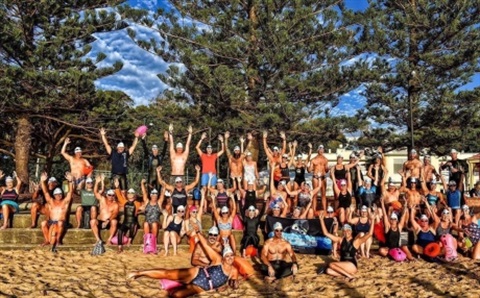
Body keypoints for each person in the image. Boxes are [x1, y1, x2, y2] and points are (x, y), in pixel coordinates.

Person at [127, 233, 239, 298]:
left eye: (231, 256)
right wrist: (198, 232)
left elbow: (233, 283)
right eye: (227, 256)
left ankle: (171, 287)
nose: (230, 258)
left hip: (202, 287)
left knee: (177, 295)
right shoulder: (218, 260)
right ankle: (140, 273)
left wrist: (228, 286)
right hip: (196, 273)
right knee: (168, 273)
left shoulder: (234, 270)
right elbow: (205, 245)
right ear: (224, 257)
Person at [317, 211, 374, 280]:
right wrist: (321, 220)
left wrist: (373, 220)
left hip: (351, 265)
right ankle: (345, 274)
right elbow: (326, 233)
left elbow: (370, 234)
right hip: (343, 264)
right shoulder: (341, 240)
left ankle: (350, 276)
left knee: (331, 264)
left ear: (351, 232)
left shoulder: (356, 241)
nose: (346, 232)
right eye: (344, 230)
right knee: (328, 271)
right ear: (343, 232)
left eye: (348, 230)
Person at [38, 172, 74, 252]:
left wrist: (71, 182)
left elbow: (70, 193)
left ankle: (58, 240)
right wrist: (42, 181)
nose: (59, 195)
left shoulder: (65, 202)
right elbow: (46, 192)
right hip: (52, 221)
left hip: (62, 222)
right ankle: (47, 240)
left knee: (60, 223)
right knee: (43, 223)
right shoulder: (51, 201)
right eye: (57, 194)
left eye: (60, 194)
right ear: (54, 195)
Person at [100, 128, 139, 193]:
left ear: (124, 148)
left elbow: (133, 146)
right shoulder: (113, 153)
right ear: (117, 148)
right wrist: (103, 135)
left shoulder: (126, 154)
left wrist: (136, 137)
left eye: (122, 148)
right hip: (115, 174)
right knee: (114, 191)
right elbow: (106, 144)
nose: (121, 148)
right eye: (120, 147)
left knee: (124, 191)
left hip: (123, 174)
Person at [90, 175, 119, 245]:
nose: (111, 197)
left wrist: (107, 221)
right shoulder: (102, 199)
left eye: (112, 195)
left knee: (114, 222)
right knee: (92, 221)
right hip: (100, 221)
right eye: (109, 195)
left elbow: (114, 214)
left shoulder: (115, 204)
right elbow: (95, 192)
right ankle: (98, 240)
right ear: (106, 195)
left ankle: (109, 240)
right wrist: (97, 182)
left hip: (109, 221)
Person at [116, 188, 140, 253]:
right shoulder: (124, 201)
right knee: (120, 231)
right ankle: (120, 247)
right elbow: (118, 195)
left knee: (133, 225)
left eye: (132, 193)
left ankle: (130, 240)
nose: (130, 194)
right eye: (129, 193)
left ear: (134, 195)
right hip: (125, 222)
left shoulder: (137, 203)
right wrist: (117, 187)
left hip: (133, 221)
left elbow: (144, 205)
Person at [308, 144, 329, 212]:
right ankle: (314, 211)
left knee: (323, 194)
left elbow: (326, 170)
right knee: (315, 194)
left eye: (322, 149)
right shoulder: (313, 160)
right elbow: (309, 170)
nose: (321, 150)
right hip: (316, 177)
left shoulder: (326, 160)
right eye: (320, 149)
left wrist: (328, 169)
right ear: (318, 150)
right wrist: (308, 167)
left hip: (323, 177)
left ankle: (325, 210)